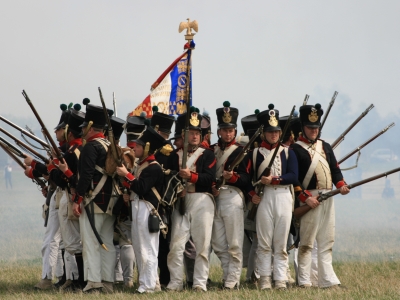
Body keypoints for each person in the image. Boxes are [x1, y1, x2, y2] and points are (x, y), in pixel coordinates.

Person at [291, 103, 349, 288]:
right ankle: (305, 281)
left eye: (316, 128)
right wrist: (305, 198)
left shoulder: (325, 146)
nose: (314, 131)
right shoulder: (295, 149)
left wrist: (341, 185)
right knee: (306, 243)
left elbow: (335, 169)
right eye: (310, 127)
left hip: (328, 197)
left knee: (326, 241)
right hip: (310, 198)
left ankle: (327, 280)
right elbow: (294, 179)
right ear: (303, 127)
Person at [247, 104, 298, 290]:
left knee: (281, 243)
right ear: (263, 133)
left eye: (276, 131)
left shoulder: (287, 152)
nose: (274, 135)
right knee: (264, 242)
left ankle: (281, 279)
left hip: (283, 196)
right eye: (270, 132)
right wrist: (252, 194)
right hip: (264, 198)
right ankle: (265, 279)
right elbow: (247, 180)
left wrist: (275, 179)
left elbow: (293, 175)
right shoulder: (254, 154)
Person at [167, 107, 216, 292]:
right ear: (184, 134)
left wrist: (191, 176)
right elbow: (170, 177)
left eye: (197, 133)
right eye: (191, 133)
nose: (195, 136)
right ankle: (176, 282)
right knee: (176, 245)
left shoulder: (208, 154)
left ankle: (199, 283)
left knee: (202, 245)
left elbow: (209, 178)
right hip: (182, 200)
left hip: (202, 199)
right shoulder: (175, 156)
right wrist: (177, 187)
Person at [72, 100, 118, 293]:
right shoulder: (109, 144)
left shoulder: (91, 147)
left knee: (91, 242)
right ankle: (108, 282)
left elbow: (86, 176)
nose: (82, 130)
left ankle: (94, 282)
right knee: (107, 242)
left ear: (90, 126)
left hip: (94, 201)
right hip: (111, 202)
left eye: (85, 126)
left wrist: (78, 199)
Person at [24, 104, 69, 290]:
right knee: (57, 241)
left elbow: (59, 174)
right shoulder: (64, 150)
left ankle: (51, 278)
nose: (56, 133)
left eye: (58, 130)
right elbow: (53, 174)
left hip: (65, 197)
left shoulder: (68, 151)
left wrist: (34, 164)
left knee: (55, 241)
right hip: (58, 195)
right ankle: (60, 277)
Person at [116, 125, 166, 293]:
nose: (134, 148)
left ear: (146, 148)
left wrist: (127, 175)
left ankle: (148, 286)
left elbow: (143, 187)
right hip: (139, 208)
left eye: (138, 146)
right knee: (139, 248)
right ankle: (147, 283)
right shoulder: (143, 165)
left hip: (147, 210)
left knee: (148, 249)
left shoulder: (154, 167)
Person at [211, 101, 250, 289]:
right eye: (225, 130)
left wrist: (233, 178)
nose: (228, 133)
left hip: (233, 197)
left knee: (234, 243)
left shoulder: (242, 152)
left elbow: (248, 179)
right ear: (219, 131)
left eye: (231, 130)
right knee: (218, 244)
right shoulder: (213, 150)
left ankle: (233, 281)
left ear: (235, 131)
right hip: (215, 198)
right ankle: (228, 276)